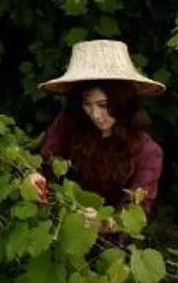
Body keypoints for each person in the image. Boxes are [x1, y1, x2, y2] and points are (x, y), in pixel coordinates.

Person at [28, 40, 165, 233]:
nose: (95, 115)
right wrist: (35, 177)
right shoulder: (69, 123)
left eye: (103, 105)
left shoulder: (147, 152)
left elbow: (137, 211)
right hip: (60, 224)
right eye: (87, 105)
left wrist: (104, 224)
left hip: (110, 242)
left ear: (122, 103)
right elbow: (46, 160)